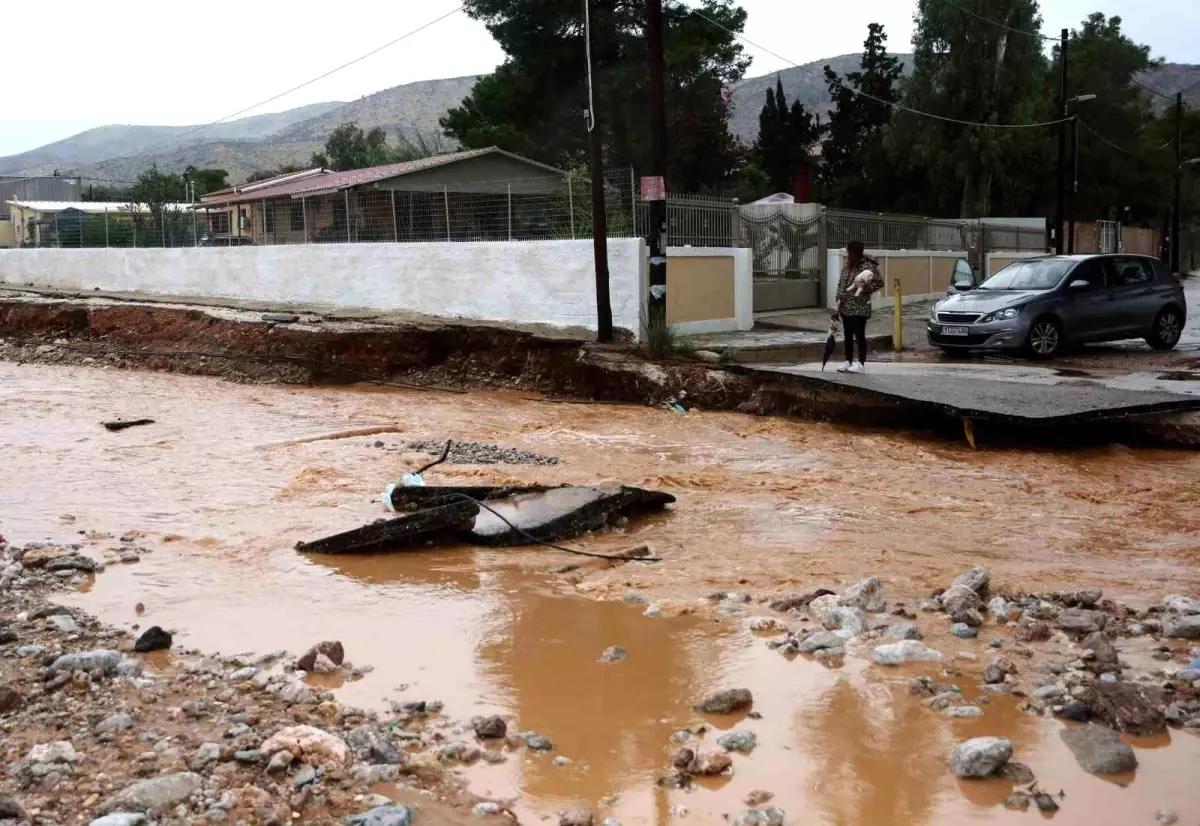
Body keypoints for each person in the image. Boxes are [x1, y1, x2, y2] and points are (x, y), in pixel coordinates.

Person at [835, 241, 883, 373]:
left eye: (848, 251)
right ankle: (847, 361)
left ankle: (860, 363)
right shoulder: (847, 266)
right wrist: (838, 298)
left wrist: (864, 288)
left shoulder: (867, 266)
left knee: (859, 335)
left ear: (854, 251)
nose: (846, 253)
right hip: (846, 307)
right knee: (848, 335)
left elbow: (879, 282)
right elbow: (841, 284)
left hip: (860, 307)